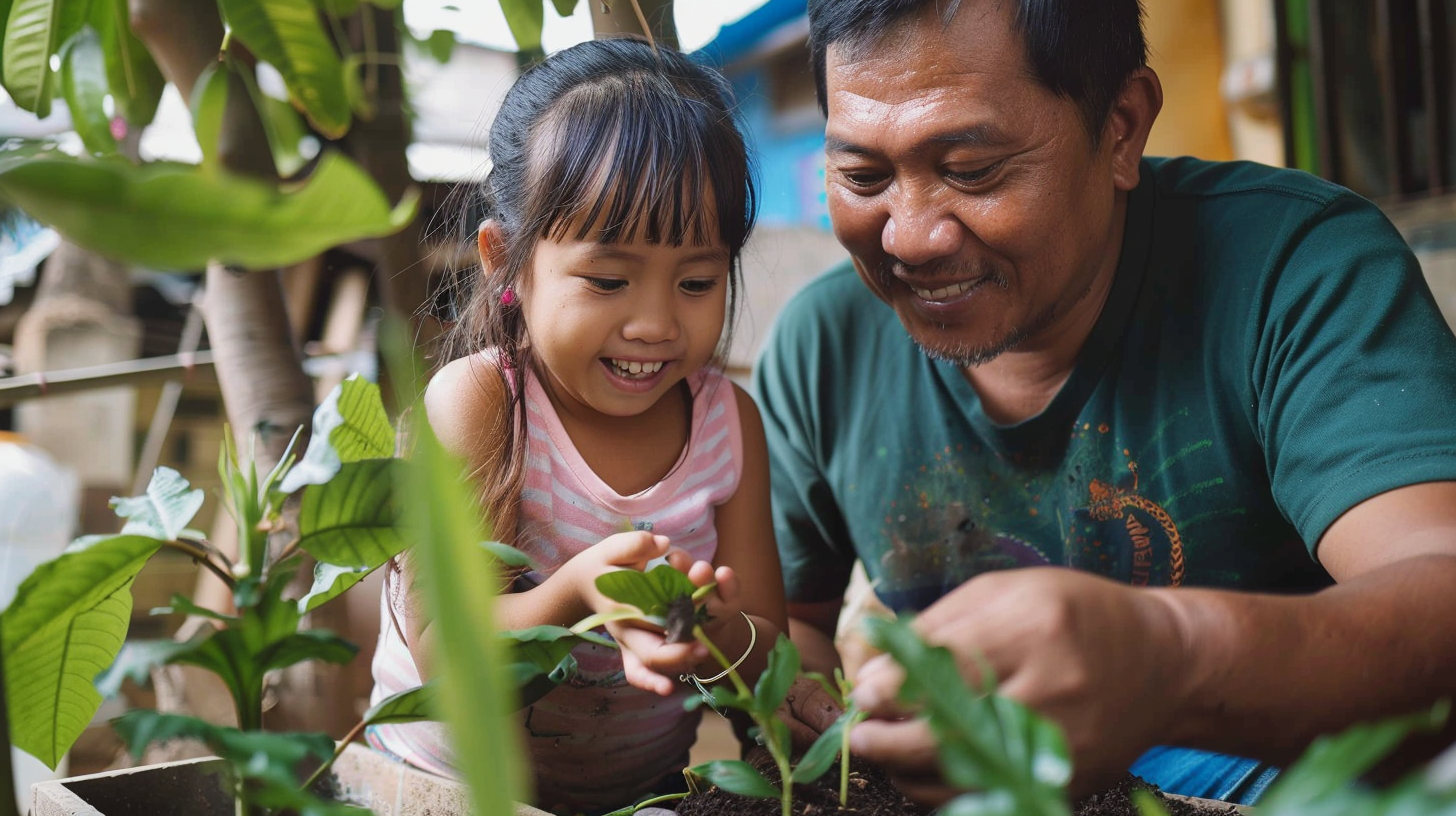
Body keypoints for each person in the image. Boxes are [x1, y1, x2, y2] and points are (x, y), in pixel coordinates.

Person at [755, 0, 1456, 807]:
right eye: (863, 176)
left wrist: (1169, 658)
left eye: (971, 170)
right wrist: (822, 715)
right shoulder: (822, 347)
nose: (910, 237)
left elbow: (1437, 590)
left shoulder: (1297, 270)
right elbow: (792, 630)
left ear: (1121, 127)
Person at [368, 37, 787, 816]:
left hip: (639, 794)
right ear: (505, 262)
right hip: (441, 789)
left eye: (697, 280)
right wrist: (577, 592)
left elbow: (771, 656)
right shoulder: (482, 405)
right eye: (608, 280)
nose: (656, 322)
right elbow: (445, 656)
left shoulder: (731, 425)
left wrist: (712, 630)